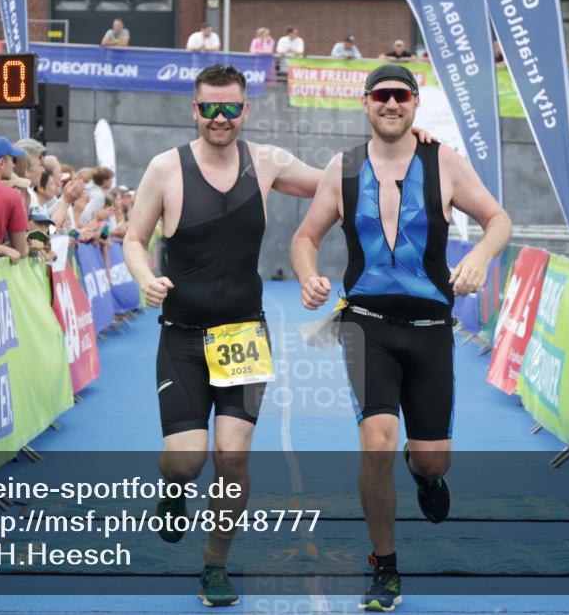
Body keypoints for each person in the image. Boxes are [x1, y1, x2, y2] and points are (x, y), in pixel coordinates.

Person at [123, 64, 437, 607]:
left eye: (230, 108)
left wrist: (407, 143)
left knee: (232, 457)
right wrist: (144, 277)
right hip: (182, 337)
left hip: (243, 334)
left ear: (245, 110)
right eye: (209, 108)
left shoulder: (266, 162)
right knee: (186, 460)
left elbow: (345, 179)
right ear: (194, 110)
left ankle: (214, 565)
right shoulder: (165, 168)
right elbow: (133, 237)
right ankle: (173, 487)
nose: (220, 118)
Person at [289, 63, 512, 612]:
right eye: (382, 96)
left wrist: (481, 256)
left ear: (415, 103)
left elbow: (498, 219)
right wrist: (307, 274)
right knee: (377, 441)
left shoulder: (444, 162)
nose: (391, 104)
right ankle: (384, 565)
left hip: (431, 330)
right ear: (366, 103)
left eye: (402, 96)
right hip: (367, 326)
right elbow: (305, 236)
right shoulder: (342, 168)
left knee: (433, 461)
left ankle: (425, 474)